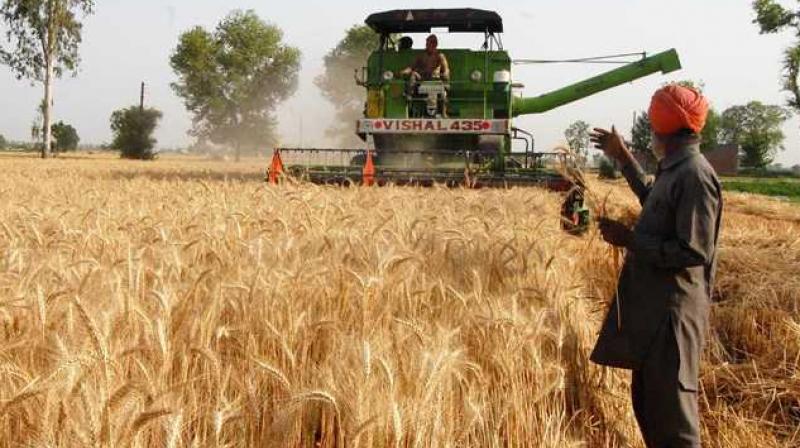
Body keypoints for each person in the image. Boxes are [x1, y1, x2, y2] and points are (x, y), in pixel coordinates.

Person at [589, 85, 723, 448]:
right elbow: (654, 199)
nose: (650, 133)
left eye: (652, 124)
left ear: (663, 129)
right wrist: (623, 158)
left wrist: (630, 240)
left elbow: (693, 251)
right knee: (649, 410)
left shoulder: (695, 175)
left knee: (674, 425)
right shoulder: (675, 170)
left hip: (672, 319)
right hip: (654, 317)